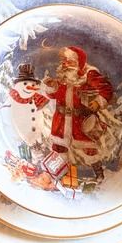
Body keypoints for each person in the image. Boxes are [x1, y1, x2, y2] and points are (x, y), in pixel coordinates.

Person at [42, 46, 113, 181]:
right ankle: (59, 174)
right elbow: (53, 95)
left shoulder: (88, 75)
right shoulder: (62, 78)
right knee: (59, 147)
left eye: (69, 61)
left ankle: (98, 174)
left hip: (80, 120)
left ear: (79, 62)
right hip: (61, 121)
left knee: (89, 147)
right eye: (64, 61)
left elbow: (106, 88)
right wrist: (51, 87)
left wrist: (98, 102)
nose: (65, 64)